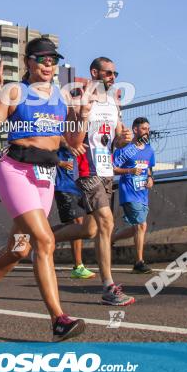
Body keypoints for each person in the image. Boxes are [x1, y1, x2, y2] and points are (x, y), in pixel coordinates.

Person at [0, 37, 86, 342]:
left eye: (53, 60)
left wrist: (83, 114)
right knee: (44, 240)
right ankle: (59, 320)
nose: (49, 65)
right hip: (16, 171)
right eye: (43, 59)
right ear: (29, 62)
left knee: (20, 247)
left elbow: (74, 144)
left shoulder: (61, 98)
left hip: (45, 176)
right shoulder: (15, 90)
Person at [54, 56, 136, 306]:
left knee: (90, 229)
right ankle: (109, 287)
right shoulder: (78, 96)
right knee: (106, 222)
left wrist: (125, 137)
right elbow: (64, 133)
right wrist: (76, 130)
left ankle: (43, 238)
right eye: (108, 73)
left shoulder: (114, 102)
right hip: (86, 168)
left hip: (106, 169)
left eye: (115, 73)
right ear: (95, 73)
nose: (113, 77)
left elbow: (117, 139)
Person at [111, 117, 155, 274]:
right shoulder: (125, 149)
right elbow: (112, 168)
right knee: (140, 225)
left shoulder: (149, 150)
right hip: (128, 192)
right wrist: (129, 171)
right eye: (144, 129)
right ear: (135, 130)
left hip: (143, 193)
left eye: (148, 129)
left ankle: (112, 239)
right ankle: (139, 263)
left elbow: (149, 169)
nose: (147, 132)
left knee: (140, 227)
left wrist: (150, 178)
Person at [53, 145, 96, 279]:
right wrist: (60, 162)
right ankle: (78, 266)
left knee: (72, 226)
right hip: (65, 186)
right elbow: (48, 149)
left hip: (82, 186)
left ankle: (39, 237)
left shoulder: (85, 134)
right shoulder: (63, 131)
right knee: (78, 222)